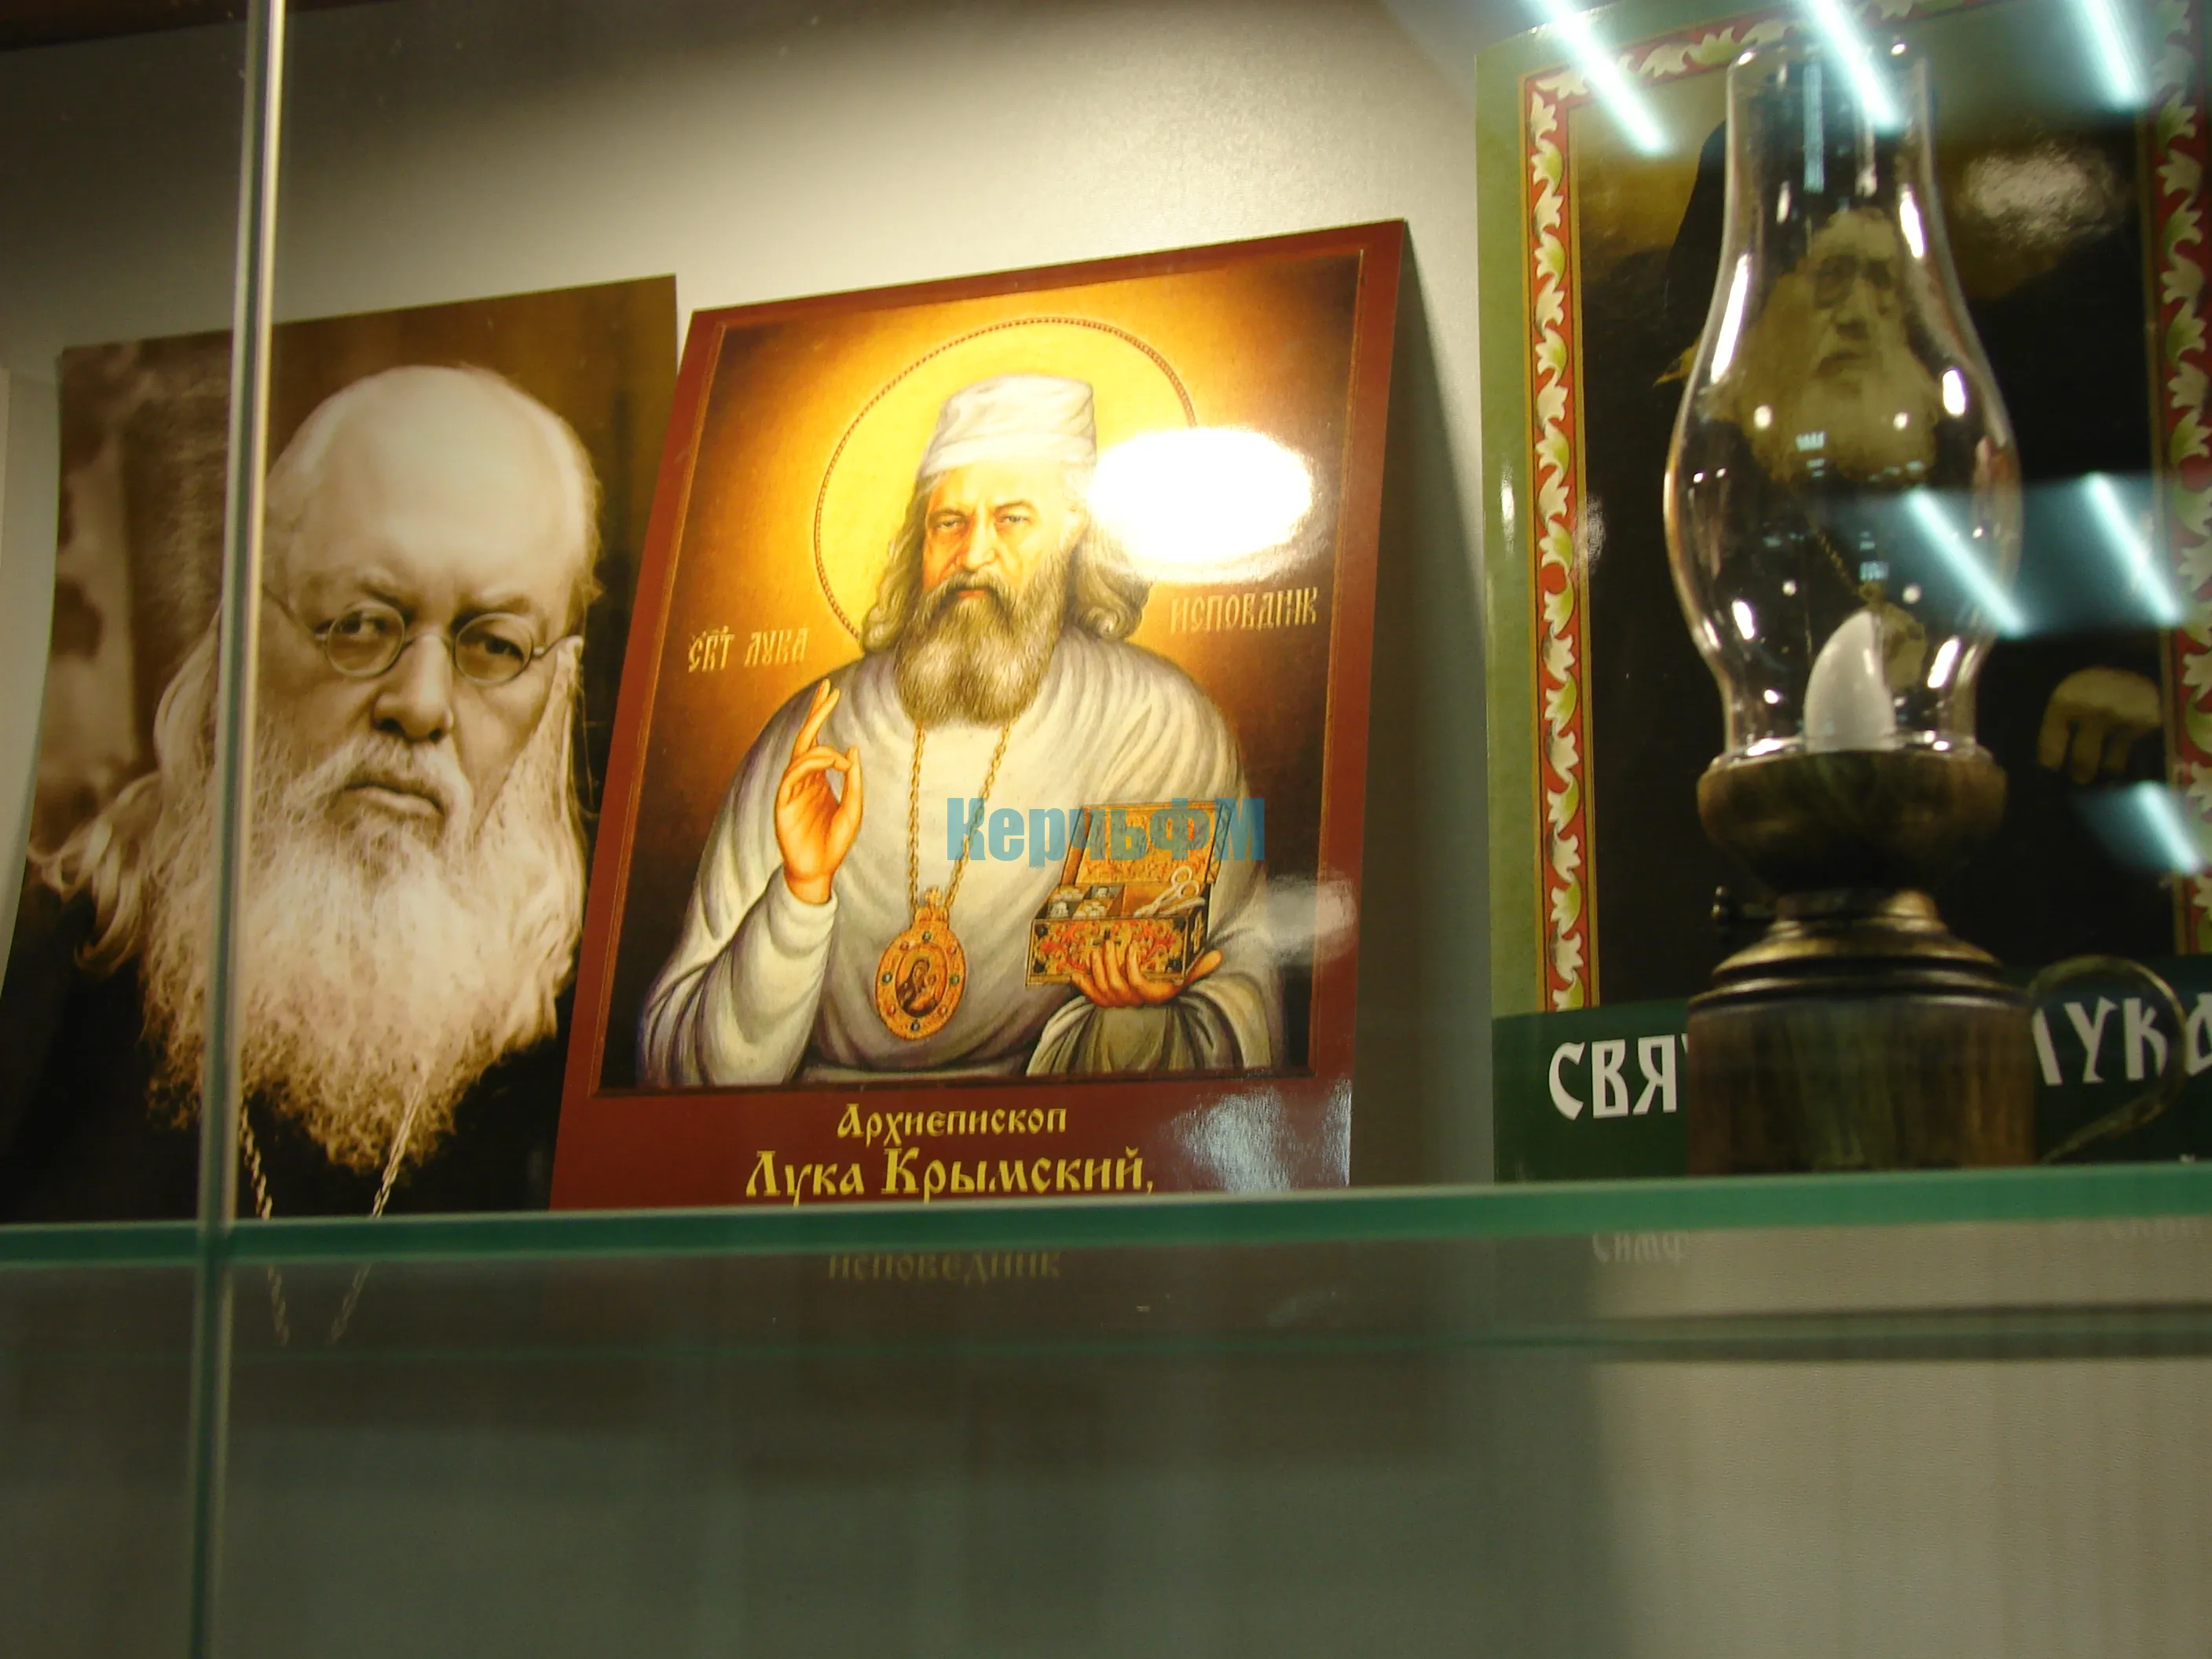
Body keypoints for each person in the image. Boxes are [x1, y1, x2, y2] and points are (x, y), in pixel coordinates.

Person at [0, 364, 600, 1219]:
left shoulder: (599, 1040)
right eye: (360, 623)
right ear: (246, 633)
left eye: (496, 646)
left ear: (556, 690)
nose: (420, 705)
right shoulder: (56, 987)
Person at [639, 373, 1280, 1086]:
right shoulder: (816, 735)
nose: (973, 554)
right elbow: (680, 1068)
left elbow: (1228, 1030)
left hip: (1041, 1141)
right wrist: (798, 894)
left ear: (1076, 535)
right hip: (815, 1144)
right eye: (949, 522)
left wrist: (1132, 1018)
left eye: (1011, 520)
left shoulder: (1149, 722)